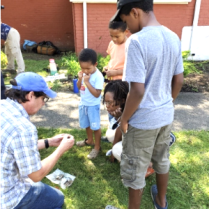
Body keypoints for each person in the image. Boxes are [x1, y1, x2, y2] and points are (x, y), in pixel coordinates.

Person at [107, 0, 184, 209]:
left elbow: (137, 90)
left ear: (135, 12)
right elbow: (178, 80)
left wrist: (124, 119)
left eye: (126, 21)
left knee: (136, 170)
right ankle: (161, 200)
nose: (127, 28)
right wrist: (165, 104)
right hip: (165, 116)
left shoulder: (137, 41)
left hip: (142, 123)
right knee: (161, 159)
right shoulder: (173, 36)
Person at [0, 72, 75, 209]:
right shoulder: (23, 128)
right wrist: (60, 149)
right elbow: (36, 175)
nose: (43, 104)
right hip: (8, 198)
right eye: (43, 99)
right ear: (30, 95)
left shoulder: (3, 106)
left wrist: (49, 142)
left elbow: (16, 146)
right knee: (58, 198)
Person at [103, 80, 176, 174]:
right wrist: (119, 118)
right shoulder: (125, 107)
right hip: (142, 137)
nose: (107, 106)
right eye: (106, 102)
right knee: (110, 134)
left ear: (122, 100)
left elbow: (128, 135)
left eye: (110, 102)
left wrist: (114, 152)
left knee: (117, 149)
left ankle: (149, 166)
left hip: (148, 139)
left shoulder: (134, 111)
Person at [76, 48, 104, 159]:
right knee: (87, 124)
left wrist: (87, 82)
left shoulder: (98, 76)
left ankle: (97, 147)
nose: (85, 71)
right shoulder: (83, 74)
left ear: (95, 64)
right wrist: (80, 79)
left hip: (93, 106)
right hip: (83, 104)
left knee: (95, 127)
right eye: (82, 68)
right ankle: (89, 141)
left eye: (88, 68)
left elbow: (97, 94)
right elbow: (79, 87)